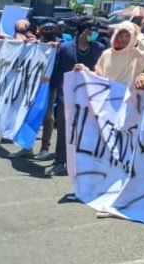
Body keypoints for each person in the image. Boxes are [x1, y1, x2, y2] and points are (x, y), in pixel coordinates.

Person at [48, 18, 105, 176]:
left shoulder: (99, 48)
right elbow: (56, 71)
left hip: (90, 98)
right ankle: (60, 161)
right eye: (92, 31)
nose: (95, 34)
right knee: (64, 131)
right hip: (67, 96)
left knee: (87, 132)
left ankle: (83, 164)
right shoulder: (66, 48)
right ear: (84, 31)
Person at [80, 20, 144, 87]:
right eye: (120, 35)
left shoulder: (136, 55)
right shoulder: (107, 54)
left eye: (127, 36)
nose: (123, 39)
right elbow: (98, 77)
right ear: (115, 35)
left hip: (127, 99)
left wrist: (139, 34)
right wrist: (84, 70)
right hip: (107, 98)